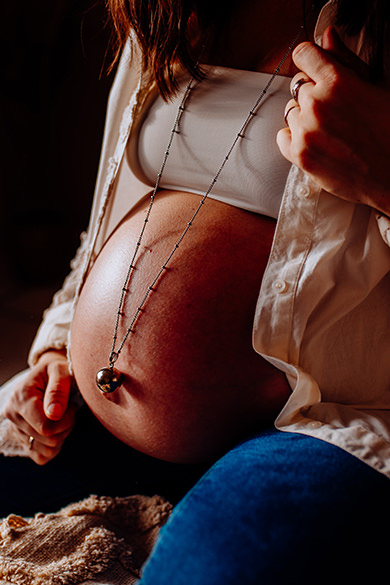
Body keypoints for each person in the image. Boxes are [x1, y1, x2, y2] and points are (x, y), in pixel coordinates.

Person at [1, 0, 390, 581]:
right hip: (106, 416)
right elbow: (112, 209)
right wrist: (58, 346)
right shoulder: (168, 16)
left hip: (326, 419)